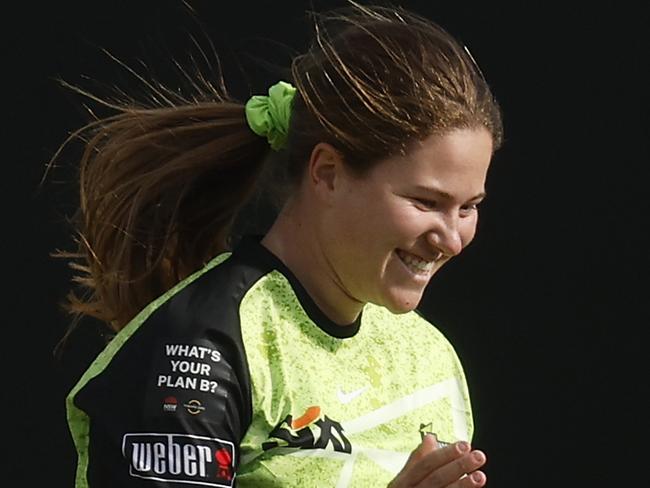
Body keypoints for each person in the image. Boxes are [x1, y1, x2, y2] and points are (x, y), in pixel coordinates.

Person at [56, 3, 503, 487]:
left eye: (468, 207)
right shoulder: (200, 346)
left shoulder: (429, 358)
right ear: (327, 173)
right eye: (425, 201)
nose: (452, 239)